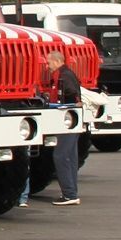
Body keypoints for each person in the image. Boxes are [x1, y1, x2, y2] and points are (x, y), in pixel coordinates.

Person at [40, 48, 86, 205]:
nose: (47, 66)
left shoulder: (63, 76)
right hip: (72, 120)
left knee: (61, 156)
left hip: (67, 121)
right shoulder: (67, 74)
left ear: (58, 61)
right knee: (71, 156)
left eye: (49, 62)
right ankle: (71, 192)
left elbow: (72, 95)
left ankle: (69, 194)